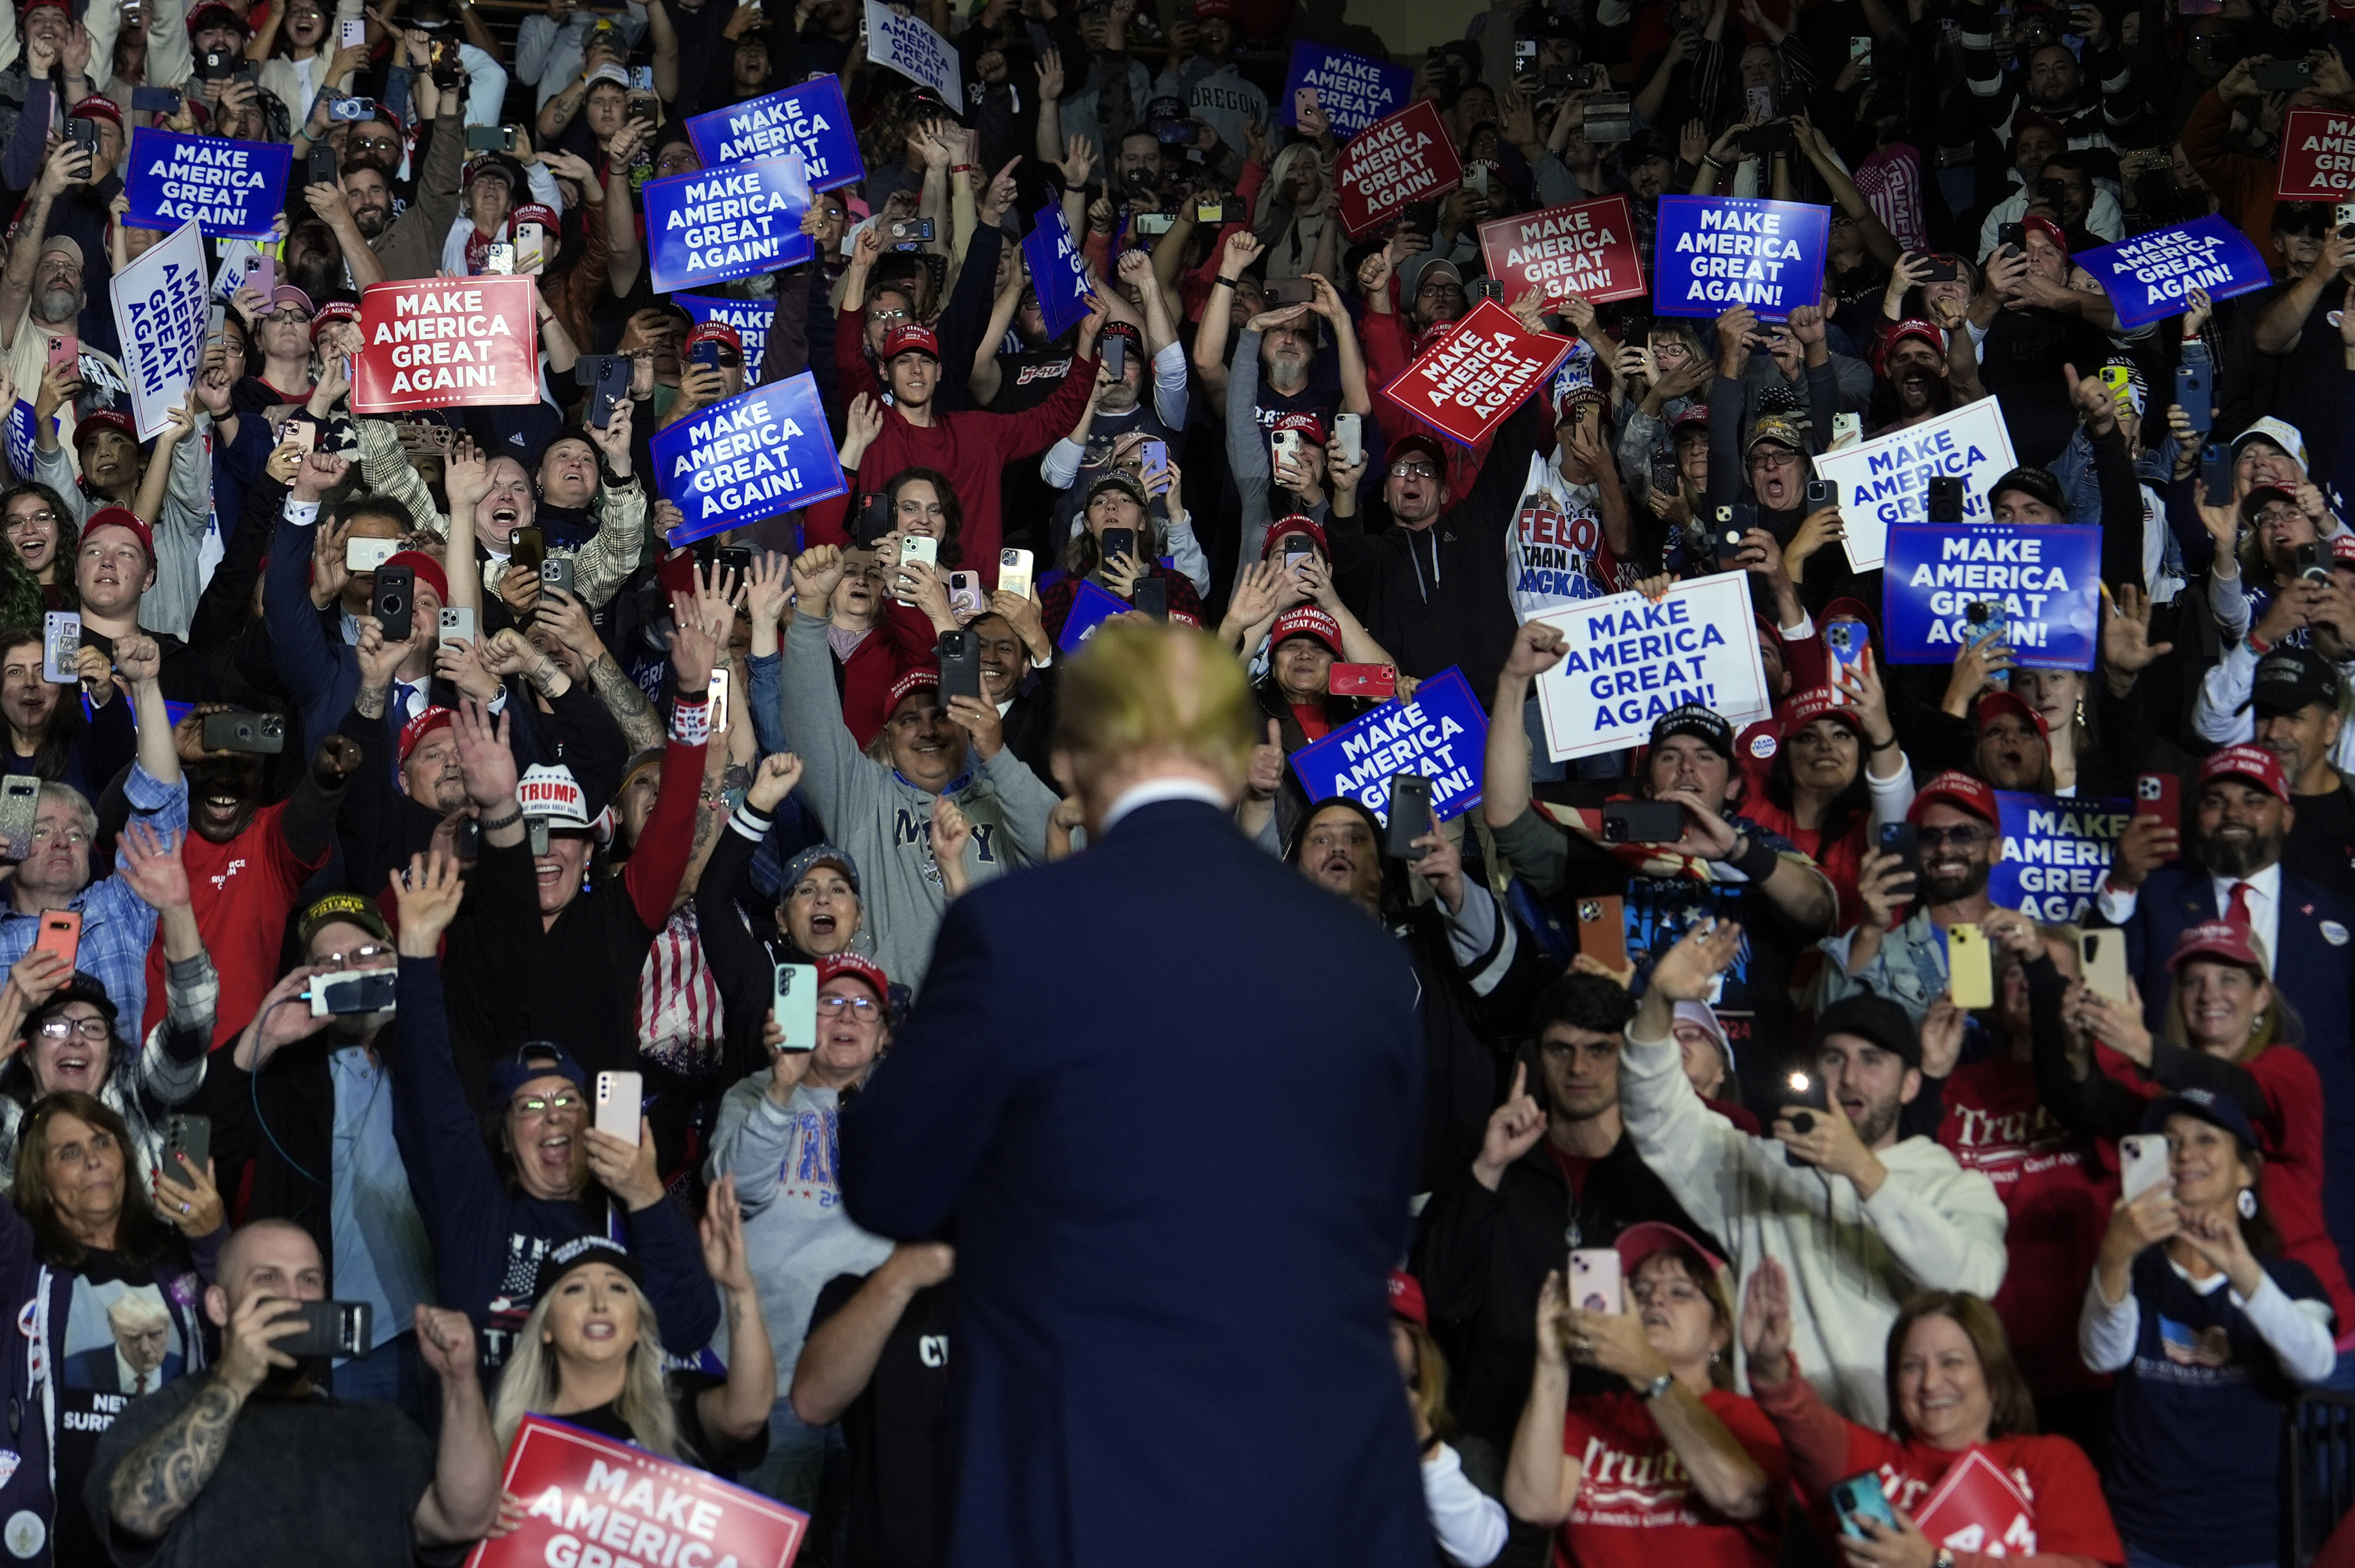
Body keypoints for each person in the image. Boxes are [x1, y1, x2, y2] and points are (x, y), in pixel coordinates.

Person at [839, 617, 1433, 1567]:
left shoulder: (1013, 929)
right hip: (1327, 1494)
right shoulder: (1359, 955)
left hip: (1089, 1488)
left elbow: (887, 1183)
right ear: (1241, 756)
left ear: (1070, 759)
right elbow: (1383, 1220)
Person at [1621, 918, 2008, 1425]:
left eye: (1872, 1061)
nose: (1850, 1078)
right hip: (1774, 1457)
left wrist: (1861, 1171)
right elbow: (1658, 1118)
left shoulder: (1953, 1187)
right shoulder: (1763, 1169)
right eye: (1834, 1058)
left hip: (1895, 1462)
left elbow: (1970, 1284)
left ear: (1911, 1084)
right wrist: (1657, 1004)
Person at [1414, 971, 1720, 1454]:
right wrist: (1488, 1171)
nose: (1579, 1067)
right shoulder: (1494, 1163)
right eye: (1561, 1049)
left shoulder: (1665, 1174)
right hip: (1504, 1436)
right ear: (1538, 1056)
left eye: (1600, 1050)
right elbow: (1438, 1300)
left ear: (1629, 1058)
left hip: (1631, 1441)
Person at [86, 1220, 502, 1567]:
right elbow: (135, 1516)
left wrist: (459, 1378)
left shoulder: (379, 1428)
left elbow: (463, 1519)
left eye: (309, 1280)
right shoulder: (160, 1415)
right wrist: (234, 1380)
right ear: (219, 1306)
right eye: (268, 1278)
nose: (293, 1297)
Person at [2083, 1089, 2337, 1568]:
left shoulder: (2287, 1280)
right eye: (2171, 1143)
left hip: (2255, 1542)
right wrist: (2115, 1255)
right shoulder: (2132, 1271)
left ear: (2246, 1170)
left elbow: (2315, 1364)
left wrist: (2241, 1269)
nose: (2185, 1156)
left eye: (2206, 1140)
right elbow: (2102, 1355)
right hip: (2144, 1541)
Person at [1741, 1259, 2125, 1566]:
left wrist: (1938, 1563)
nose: (1929, 1383)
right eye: (1911, 1366)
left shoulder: (2050, 1461)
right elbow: (1801, 1420)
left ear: (1993, 1378)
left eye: (1951, 1362)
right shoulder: (1870, 1466)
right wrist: (1769, 1365)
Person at [703, 950, 894, 1509]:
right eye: (831, 1002)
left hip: (873, 1391)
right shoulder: (752, 1096)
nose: (847, 1017)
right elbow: (735, 1192)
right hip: (771, 1385)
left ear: (883, 1036)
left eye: (865, 1007)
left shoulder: (901, 1113)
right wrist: (782, 1090)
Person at [0, 1092, 223, 1568]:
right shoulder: (22, 1259)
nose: (93, 1160)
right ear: (42, 1181)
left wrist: (211, 1237)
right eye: (69, 1152)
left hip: (171, 1532)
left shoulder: (175, 1261)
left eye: (102, 1141)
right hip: (59, 1535)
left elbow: (243, 1330)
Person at [1504, 1223, 1788, 1568]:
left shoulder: (1747, 1417)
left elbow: (1738, 1495)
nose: (1655, 1299)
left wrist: (1648, 1370)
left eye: (1680, 1292)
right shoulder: (1590, 1415)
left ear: (1718, 1334)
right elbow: (1533, 1505)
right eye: (1639, 1291)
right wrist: (1553, 1363)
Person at [488, 1216, 772, 1474]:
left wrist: (739, 1290)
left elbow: (747, 1416)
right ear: (545, 1327)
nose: (600, 1304)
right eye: (576, 1289)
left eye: (617, 1288)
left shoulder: (676, 1408)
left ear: (638, 1327)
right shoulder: (512, 1439)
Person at [1389, 1271, 1507, 1568]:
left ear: (1418, 1359)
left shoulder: (1467, 1454)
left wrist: (1424, 1445)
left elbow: (1481, 1550)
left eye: (1388, 1335)